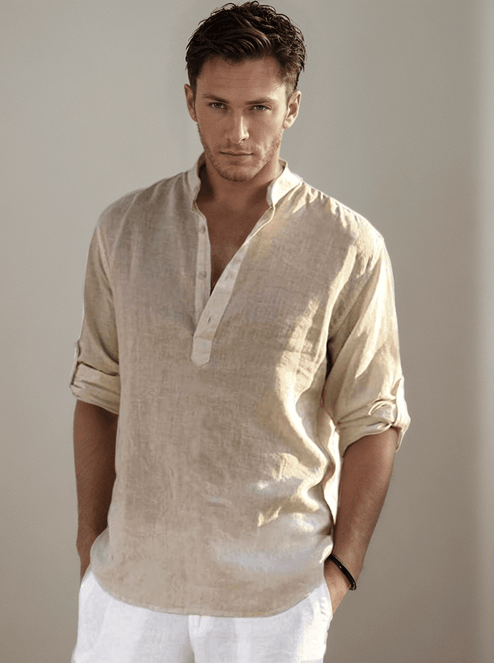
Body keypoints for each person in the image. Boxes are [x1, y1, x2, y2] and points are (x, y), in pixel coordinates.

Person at [69, 2, 410, 661]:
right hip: (129, 589)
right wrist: (90, 545)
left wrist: (339, 573)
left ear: (292, 108)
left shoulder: (347, 245)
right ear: (189, 101)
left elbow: (374, 417)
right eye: (218, 106)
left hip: (276, 599)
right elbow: (98, 391)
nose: (238, 131)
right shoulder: (125, 229)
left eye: (259, 107)